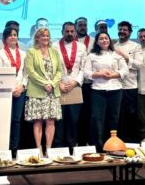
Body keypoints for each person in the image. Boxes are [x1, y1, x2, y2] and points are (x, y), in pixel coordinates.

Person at [84, 32, 128, 152]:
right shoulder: (91, 55)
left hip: (115, 90)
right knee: (97, 119)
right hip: (98, 90)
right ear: (97, 42)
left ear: (110, 40)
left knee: (113, 118)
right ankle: (98, 147)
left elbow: (125, 70)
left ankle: (112, 147)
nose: (104, 40)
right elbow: (86, 72)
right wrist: (99, 74)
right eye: (101, 39)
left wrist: (113, 75)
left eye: (106, 38)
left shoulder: (116, 54)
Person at [24, 28, 62, 156]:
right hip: (37, 91)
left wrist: (52, 83)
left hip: (52, 92)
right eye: (42, 36)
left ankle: (49, 149)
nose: (45, 38)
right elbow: (31, 71)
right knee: (38, 121)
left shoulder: (55, 52)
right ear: (37, 38)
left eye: (47, 36)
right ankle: (39, 149)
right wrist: (44, 83)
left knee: (51, 121)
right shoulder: (31, 52)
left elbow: (59, 71)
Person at [53, 22, 87, 153]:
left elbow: (84, 68)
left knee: (74, 119)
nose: (69, 34)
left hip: (75, 87)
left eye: (72, 31)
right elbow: (52, 68)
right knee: (59, 119)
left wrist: (75, 82)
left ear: (75, 32)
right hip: (59, 86)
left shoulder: (82, 47)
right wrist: (59, 83)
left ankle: (72, 146)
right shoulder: (54, 46)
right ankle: (58, 148)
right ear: (62, 32)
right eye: (67, 31)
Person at [0, 27, 27, 157]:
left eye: (15, 35)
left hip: (20, 90)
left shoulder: (24, 54)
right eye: (10, 36)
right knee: (5, 120)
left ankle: (14, 148)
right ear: (5, 39)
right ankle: (4, 147)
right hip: (6, 92)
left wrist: (22, 87)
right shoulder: (0, 54)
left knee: (16, 120)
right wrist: (10, 89)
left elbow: (26, 73)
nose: (13, 37)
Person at [114, 21, 143, 142]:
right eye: (120, 29)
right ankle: (119, 142)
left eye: (125, 30)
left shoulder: (136, 46)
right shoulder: (113, 45)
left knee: (131, 115)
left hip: (130, 86)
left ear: (130, 32)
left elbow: (139, 65)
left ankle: (133, 142)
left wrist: (125, 57)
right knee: (118, 117)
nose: (122, 32)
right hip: (115, 86)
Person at [75, 17, 94, 146]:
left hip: (90, 84)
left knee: (88, 114)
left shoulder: (93, 41)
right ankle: (76, 141)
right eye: (80, 25)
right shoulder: (71, 42)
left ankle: (86, 142)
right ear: (76, 27)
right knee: (76, 114)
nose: (83, 27)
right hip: (75, 84)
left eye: (85, 25)